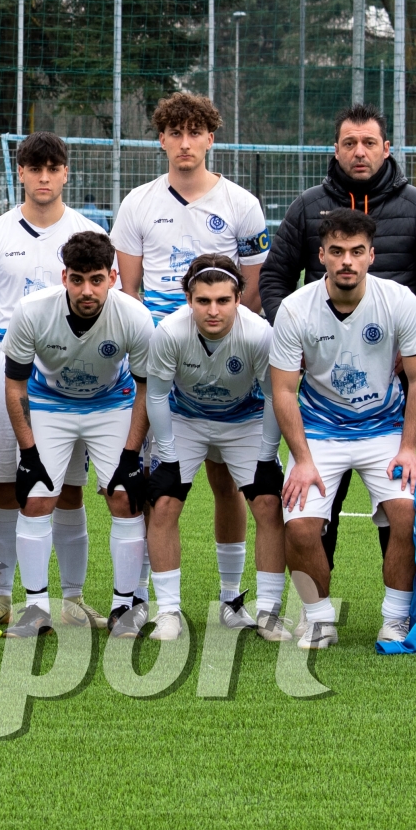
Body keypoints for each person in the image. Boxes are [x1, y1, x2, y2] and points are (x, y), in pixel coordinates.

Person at [260, 103, 416, 576]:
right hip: (323, 387)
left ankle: (401, 606)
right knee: (315, 509)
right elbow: (273, 280)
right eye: (350, 143)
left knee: (397, 504)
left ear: (387, 149)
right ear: (336, 149)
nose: (360, 152)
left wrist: (408, 343)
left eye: (369, 142)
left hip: (392, 382)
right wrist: (300, 341)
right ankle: (320, 611)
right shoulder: (308, 207)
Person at [113, 93, 272, 622]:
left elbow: (250, 289)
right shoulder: (138, 203)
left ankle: (232, 599)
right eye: (174, 133)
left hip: (224, 361)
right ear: (161, 139)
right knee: (153, 488)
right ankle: (138, 602)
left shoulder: (241, 204)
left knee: (229, 483)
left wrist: (217, 341)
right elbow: (130, 292)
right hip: (163, 368)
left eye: (195, 132)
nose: (185, 143)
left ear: (210, 137)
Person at [268, 209, 416, 650]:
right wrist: (302, 461)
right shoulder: (294, 308)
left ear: (371, 256)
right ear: (321, 255)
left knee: (408, 513)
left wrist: (410, 448)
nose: (347, 261)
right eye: (338, 251)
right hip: (321, 432)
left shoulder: (398, 300)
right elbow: (284, 391)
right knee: (301, 527)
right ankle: (320, 619)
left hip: (383, 429)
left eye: (357, 252)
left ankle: (396, 619)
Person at [0, 132, 106, 626]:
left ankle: (71, 598)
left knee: (67, 488)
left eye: (53, 168)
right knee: (9, 484)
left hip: (71, 371)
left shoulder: (88, 232)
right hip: (8, 365)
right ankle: (3, 595)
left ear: (66, 173)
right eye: (35, 168)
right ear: (20, 173)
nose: (44, 177)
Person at [0, 231, 152, 641]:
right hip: (50, 402)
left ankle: (124, 608)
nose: (87, 290)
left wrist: (132, 454)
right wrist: (28, 453)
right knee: (36, 497)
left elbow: (146, 389)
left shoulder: (135, 316)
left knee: (123, 495)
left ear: (113, 277)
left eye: (96, 279)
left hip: (111, 404)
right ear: (63, 276)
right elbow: (14, 387)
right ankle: (35, 609)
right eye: (78, 279)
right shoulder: (31, 312)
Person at [143, 255, 289, 644]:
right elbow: (156, 396)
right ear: (188, 299)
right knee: (164, 502)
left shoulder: (259, 334)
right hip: (185, 418)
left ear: (239, 299)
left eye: (223, 300)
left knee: (268, 504)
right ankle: (168, 611)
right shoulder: (169, 332)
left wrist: (265, 456)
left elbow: (276, 397)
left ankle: (260, 610)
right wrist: (169, 457)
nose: (213, 310)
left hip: (245, 420)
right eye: (203, 300)